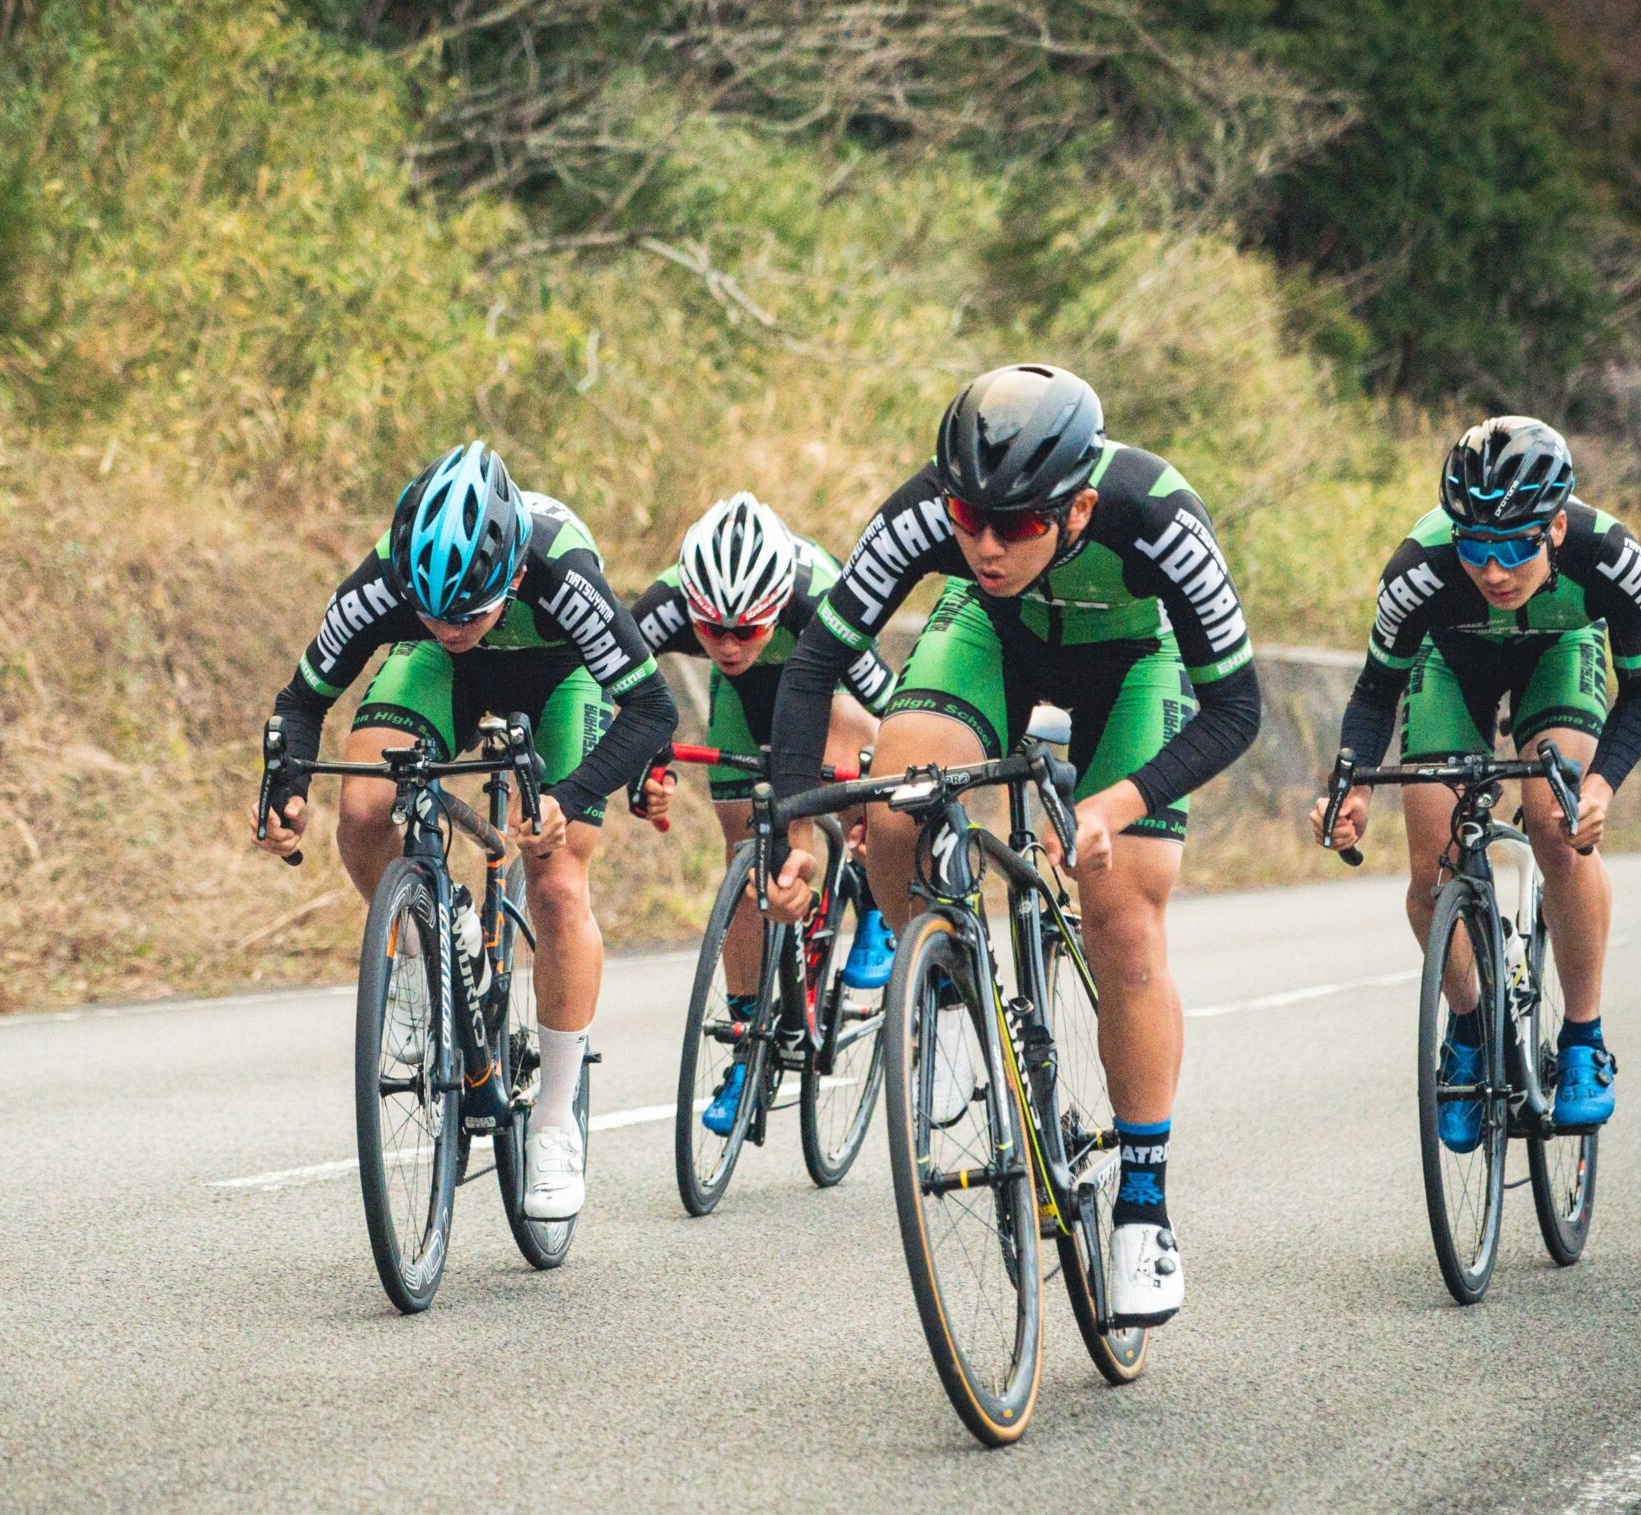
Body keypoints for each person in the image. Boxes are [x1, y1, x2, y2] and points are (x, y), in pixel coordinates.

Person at [762, 364, 1263, 1327]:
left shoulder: (1158, 515)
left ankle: (1144, 1206)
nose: (985, 542)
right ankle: (947, 991)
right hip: (990, 639)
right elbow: (817, 659)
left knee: (1124, 919)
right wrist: (795, 831)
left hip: (1131, 662)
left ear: (1077, 507)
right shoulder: (932, 519)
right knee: (901, 807)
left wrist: (1122, 800)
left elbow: (1238, 707)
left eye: (1019, 524)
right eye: (969, 517)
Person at [252, 443, 674, 1221]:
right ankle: (420, 953)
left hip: (557, 675)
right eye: (431, 609)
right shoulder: (394, 579)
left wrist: (571, 794)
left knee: (554, 876)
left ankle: (553, 1116)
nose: (449, 625)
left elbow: (654, 711)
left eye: (467, 612)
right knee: (364, 810)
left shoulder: (563, 573)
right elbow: (301, 698)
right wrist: (286, 791)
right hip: (442, 682)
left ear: (512, 574)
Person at [1312, 417, 1641, 1144]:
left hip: (1559, 653)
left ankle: (1584, 1038)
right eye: (1474, 547)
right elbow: (1376, 693)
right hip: (1451, 663)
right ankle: (1470, 1027)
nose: (1493, 570)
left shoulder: (1612, 558)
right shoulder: (1419, 569)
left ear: (1556, 527)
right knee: (1429, 874)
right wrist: (1352, 788)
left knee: (1555, 822)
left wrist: (1599, 788)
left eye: (1512, 547)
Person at [629, 492, 896, 1136]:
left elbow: (892, 712)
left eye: (744, 630)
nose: (724, 644)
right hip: (743, 699)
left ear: (773, 608)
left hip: (823, 685)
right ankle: (748, 1043)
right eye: (709, 629)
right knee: (741, 846)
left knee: (859, 756)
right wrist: (647, 769)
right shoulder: (664, 608)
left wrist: (878, 804)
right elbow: (625, 701)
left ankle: (876, 899)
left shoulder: (820, 600)